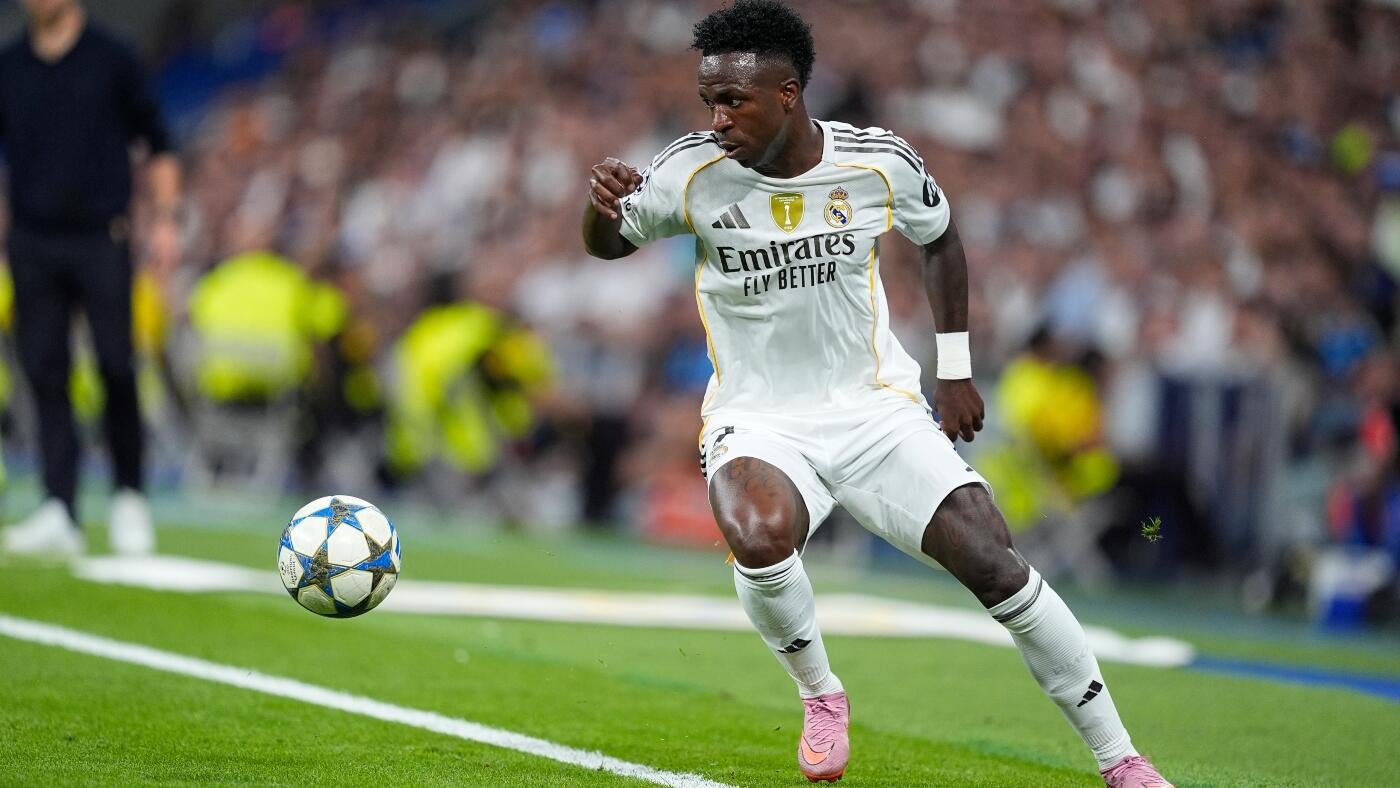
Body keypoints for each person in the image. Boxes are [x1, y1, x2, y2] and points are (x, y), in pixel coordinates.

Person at [580, 2, 1171, 785]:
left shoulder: (875, 161)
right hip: (759, 416)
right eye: (709, 101)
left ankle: (1121, 759)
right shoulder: (689, 171)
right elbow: (610, 244)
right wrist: (601, 208)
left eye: (733, 101)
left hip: (873, 409)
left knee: (995, 562)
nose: (716, 119)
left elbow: (941, 236)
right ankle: (821, 694)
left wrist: (954, 369)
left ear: (788, 94)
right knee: (757, 533)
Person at [0, 0, 181, 557]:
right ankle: (60, 506)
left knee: (116, 365)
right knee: (44, 372)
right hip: (32, 240)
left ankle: (129, 496)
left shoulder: (112, 57)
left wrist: (166, 221)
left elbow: (158, 141)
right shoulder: (9, 65)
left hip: (103, 236)